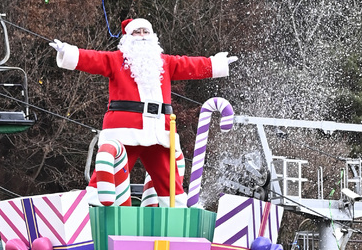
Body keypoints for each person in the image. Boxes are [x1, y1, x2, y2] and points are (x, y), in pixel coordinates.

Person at [50, 18, 237, 205]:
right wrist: (67, 52)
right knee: (108, 175)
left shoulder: (165, 63)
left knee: (170, 184)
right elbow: (92, 59)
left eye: (145, 32)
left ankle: (178, 216)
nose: (142, 36)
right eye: (136, 32)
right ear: (128, 37)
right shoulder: (115, 60)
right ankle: (90, 211)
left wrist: (216, 63)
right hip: (125, 131)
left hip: (158, 133)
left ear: (152, 36)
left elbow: (191, 65)